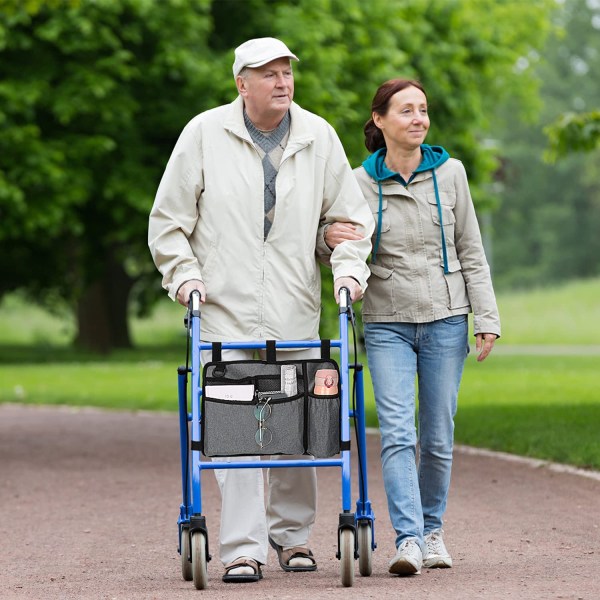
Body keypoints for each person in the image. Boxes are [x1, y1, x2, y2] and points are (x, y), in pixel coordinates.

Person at [148, 37, 373, 583]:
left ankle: (293, 539)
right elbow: (168, 222)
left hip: (294, 306)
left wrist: (346, 265)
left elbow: (349, 221)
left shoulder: (318, 135)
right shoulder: (205, 133)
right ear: (240, 84)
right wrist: (186, 278)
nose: (281, 82)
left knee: (301, 423)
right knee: (233, 428)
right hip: (223, 310)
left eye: (286, 72)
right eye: (267, 73)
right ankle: (242, 548)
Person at [325, 79, 501, 576]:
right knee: (399, 432)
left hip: (447, 318)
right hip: (387, 323)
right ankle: (407, 541)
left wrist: (486, 317)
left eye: (423, 110)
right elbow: (341, 241)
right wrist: (327, 236)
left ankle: (432, 530)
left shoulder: (452, 174)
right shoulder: (359, 183)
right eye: (407, 110)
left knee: (438, 435)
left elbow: (471, 249)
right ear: (380, 120)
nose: (419, 119)